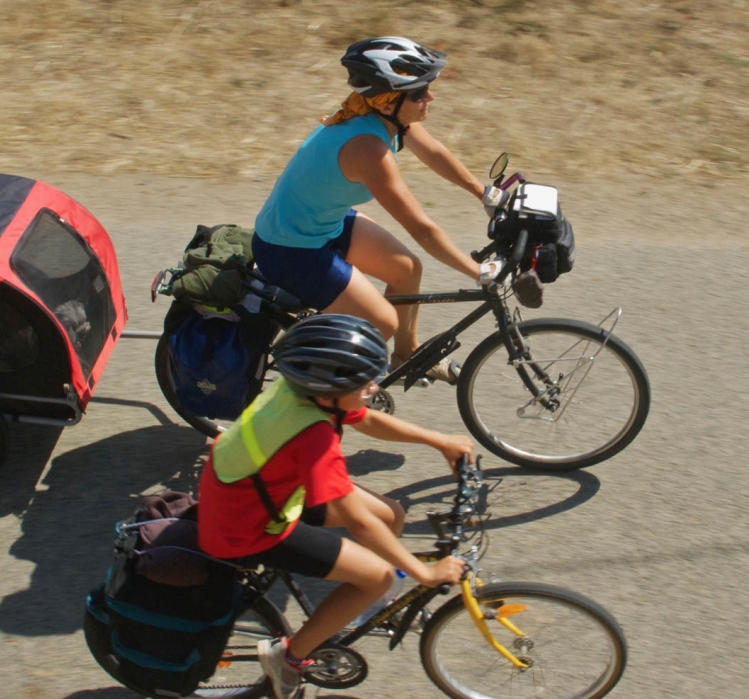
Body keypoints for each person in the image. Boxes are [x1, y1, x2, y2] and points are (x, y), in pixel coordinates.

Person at [196, 314, 474, 699]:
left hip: (262, 490)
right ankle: (288, 658)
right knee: (381, 575)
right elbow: (359, 523)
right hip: (247, 526)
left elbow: (368, 421)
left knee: (391, 513)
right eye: (364, 381)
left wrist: (440, 440)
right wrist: (422, 574)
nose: (374, 385)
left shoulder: (305, 393)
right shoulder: (313, 435)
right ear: (328, 392)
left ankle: (357, 602)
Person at [252, 36, 509, 383]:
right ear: (388, 102)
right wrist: (478, 271)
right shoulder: (368, 150)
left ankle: (406, 358)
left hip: (320, 225)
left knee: (405, 269)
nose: (430, 96)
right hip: (290, 249)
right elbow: (421, 228)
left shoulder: (385, 117)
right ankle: (312, 393)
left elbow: (435, 154)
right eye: (419, 92)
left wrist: (485, 193)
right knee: (382, 323)